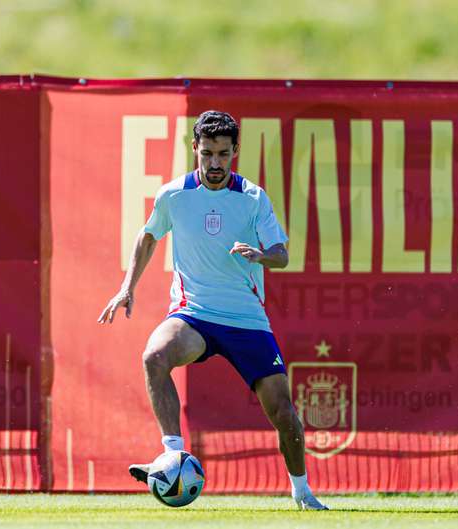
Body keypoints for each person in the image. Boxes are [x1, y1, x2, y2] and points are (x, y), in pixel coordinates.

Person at [98, 110, 327, 510]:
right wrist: (126, 287)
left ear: (235, 150)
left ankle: (302, 492)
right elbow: (148, 235)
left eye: (223, 154)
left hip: (246, 322)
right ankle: (172, 454)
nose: (216, 163)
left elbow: (282, 255)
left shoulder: (253, 198)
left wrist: (261, 255)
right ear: (195, 150)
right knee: (154, 355)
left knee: (283, 411)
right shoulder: (174, 195)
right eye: (207, 154)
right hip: (194, 315)